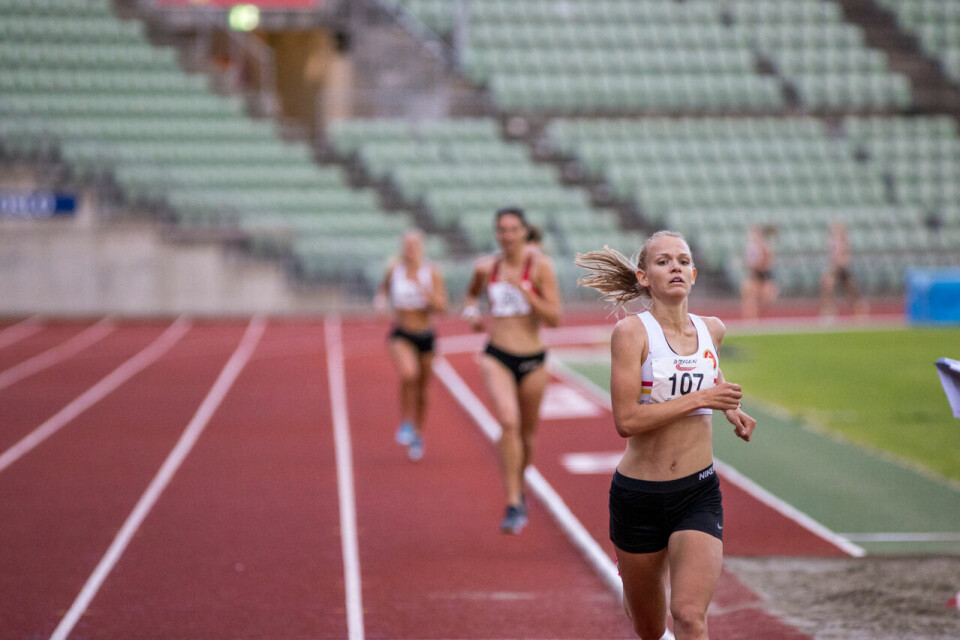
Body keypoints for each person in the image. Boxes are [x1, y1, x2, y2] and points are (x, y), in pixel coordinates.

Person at [575, 231, 756, 640]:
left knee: (689, 615)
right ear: (643, 277)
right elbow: (627, 421)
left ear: (693, 274)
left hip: (697, 492)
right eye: (662, 261)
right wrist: (702, 398)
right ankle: (634, 577)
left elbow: (707, 371)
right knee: (651, 628)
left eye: (682, 260)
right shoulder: (631, 334)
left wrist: (731, 408)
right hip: (638, 496)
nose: (674, 267)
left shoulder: (713, 329)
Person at [462, 207, 562, 534]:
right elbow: (471, 294)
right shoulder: (486, 268)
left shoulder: (540, 268)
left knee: (527, 436)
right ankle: (513, 501)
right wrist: (472, 312)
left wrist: (525, 293)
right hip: (497, 355)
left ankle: (518, 485)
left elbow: (554, 318)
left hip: (532, 359)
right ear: (496, 234)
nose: (507, 236)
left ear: (523, 232)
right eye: (501, 230)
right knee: (508, 421)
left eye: (513, 229)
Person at [374, 229, 448, 461]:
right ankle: (406, 422)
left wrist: (423, 291)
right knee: (409, 375)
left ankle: (418, 432)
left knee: (423, 390)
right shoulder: (394, 271)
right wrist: (380, 303)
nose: (410, 251)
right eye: (406, 247)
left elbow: (442, 308)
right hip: (401, 334)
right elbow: (383, 289)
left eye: (414, 247)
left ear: (422, 249)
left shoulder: (431, 273)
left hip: (425, 335)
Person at [820, 222, 867, 319]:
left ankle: (859, 307)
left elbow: (846, 258)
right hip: (834, 269)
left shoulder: (845, 243)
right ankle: (829, 310)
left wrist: (840, 265)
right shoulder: (831, 243)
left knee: (850, 289)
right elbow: (831, 258)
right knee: (827, 286)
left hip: (842, 269)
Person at [740, 224, 778, 320]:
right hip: (755, 275)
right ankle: (751, 320)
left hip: (765, 276)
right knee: (749, 296)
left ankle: (765, 320)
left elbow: (768, 264)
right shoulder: (752, 248)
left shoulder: (765, 247)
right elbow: (750, 263)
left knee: (768, 299)